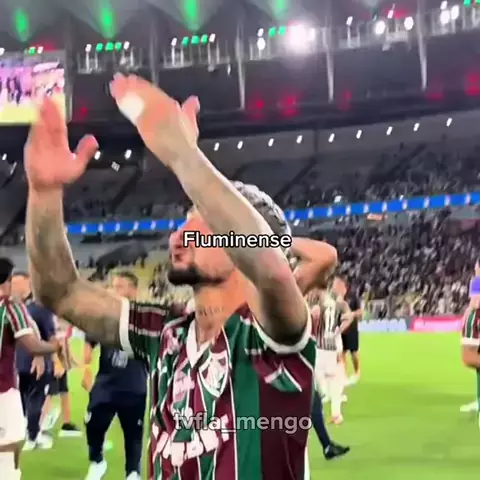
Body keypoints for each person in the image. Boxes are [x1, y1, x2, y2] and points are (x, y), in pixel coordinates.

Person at [23, 77, 340, 479]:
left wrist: (182, 154)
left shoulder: (272, 336)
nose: (177, 238)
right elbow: (59, 291)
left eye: (198, 229)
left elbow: (271, 269)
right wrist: (44, 194)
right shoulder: (164, 332)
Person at [0, 257, 62, 480]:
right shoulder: (10, 307)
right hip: (3, 390)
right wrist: (54, 347)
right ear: (7, 281)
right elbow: (31, 344)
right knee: (9, 442)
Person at [83, 272, 146, 480]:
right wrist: (86, 368)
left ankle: (133, 472)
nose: (114, 291)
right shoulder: (104, 317)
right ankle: (97, 461)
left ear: (133, 290)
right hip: (105, 385)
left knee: (133, 433)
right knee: (92, 423)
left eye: (120, 286)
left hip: (134, 385)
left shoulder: (145, 318)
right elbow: (89, 342)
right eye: (113, 286)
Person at [12, 272, 56, 450]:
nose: (14, 287)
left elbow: (51, 337)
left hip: (31, 363)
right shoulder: (18, 308)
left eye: (18, 283)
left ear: (28, 284)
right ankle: (31, 437)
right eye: (13, 283)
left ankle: (28, 435)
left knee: (29, 400)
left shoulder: (36, 308)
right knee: (30, 400)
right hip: (23, 363)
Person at [309, 280, 354, 425]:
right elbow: (349, 317)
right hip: (332, 348)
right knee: (333, 381)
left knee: (313, 382)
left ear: (318, 289)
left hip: (319, 348)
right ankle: (336, 414)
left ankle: (312, 415)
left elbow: (311, 320)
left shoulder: (317, 305)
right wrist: (339, 330)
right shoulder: (338, 303)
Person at [41, 316, 82, 437]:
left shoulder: (67, 324)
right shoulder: (55, 321)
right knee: (49, 394)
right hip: (53, 363)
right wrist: (56, 363)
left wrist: (71, 360)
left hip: (60, 363)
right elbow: (53, 343)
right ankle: (38, 427)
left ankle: (66, 423)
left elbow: (65, 342)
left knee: (64, 392)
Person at [333, 277, 363, 386]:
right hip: (340, 329)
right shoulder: (336, 298)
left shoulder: (353, 297)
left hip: (352, 329)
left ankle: (357, 373)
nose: (335, 286)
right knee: (341, 352)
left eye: (337, 284)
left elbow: (361, 312)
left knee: (353, 352)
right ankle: (343, 375)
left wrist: (351, 314)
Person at [460, 261, 480, 420]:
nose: (475, 268)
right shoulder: (476, 281)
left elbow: (474, 303)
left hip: (476, 322)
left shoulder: (476, 281)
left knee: (473, 360)